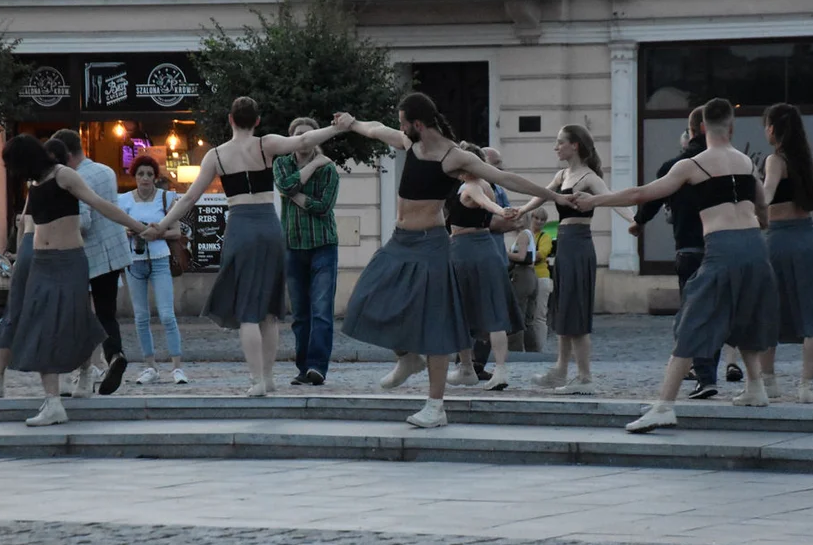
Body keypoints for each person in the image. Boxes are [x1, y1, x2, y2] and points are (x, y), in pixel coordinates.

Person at [334, 92, 568, 428]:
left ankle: (435, 406)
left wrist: (554, 196)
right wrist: (351, 123)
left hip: (431, 244)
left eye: (403, 122)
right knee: (366, 299)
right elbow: (375, 130)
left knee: (435, 324)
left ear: (418, 123)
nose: (399, 127)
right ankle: (409, 356)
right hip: (400, 241)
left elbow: (506, 179)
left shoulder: (453, 156)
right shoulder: (409, 143)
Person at [571, 98, 778, 433]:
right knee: (746, 314)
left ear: (699, 128)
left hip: (722, 247)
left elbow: (643, 193)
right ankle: (756, 388)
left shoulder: (691, 165)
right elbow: (762, 206)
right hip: (755, 246)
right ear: (732, 126)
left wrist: (596, 199)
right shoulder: (745, 162)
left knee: (691, 323)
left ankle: (665, 405)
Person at [148, 97, 347, 396]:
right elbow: (305, 138)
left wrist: (162, 227)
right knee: (269, 311)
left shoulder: (215, 156)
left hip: (240, 227)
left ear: (230, 119)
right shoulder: (266, 145)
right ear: (257, 121)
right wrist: (337, 127)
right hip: (269, 227)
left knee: (248, 313)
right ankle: (268, 378)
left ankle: (256, 381)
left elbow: (189, 198)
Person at [1, 135, 151, 426]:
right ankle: (54, 401)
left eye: (13, 164)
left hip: (68, 260)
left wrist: (138, 227)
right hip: (42, 263)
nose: (12, 171)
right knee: (42, 328)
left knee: (68, 324)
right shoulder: (35, 183)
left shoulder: (64, 175)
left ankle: (83, 374)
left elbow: (100, 205)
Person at [517, 124, 634, 395]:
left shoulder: (589, 177)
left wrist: (633, 221)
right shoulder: (562, 175)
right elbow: (542, 195)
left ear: (575, 145)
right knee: (565, 308)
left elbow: (613, 199)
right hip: (566, 246)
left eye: (560, 142)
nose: (556, 147)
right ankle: (560, 370)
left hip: (580, 245)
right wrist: (520, 209)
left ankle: (584, 377)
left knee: (577, 311)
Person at [631, 107, 723, 399]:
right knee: (715, 313)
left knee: (693, 315)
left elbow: (650, 198)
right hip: (721, 247)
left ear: (693, 129)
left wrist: (638, 222)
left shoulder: (676, 165)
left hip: (689, 250)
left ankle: (703, 374)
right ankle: (707, 370)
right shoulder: (726, 164)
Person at [759, 103, 813, 403]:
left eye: (766, 125)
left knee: (769, 311)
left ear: (772, 128)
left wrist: (750, 197)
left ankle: (768, 381)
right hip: (808, 238)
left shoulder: (775, 160)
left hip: (780, 241)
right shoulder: (804, 161)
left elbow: (768, 192)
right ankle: (806, 386)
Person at [0, 137, 75, 398]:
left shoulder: (35, 183)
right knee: (58, 314)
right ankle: (66, 378)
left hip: (29, 243)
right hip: (48, 247)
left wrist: (17, 249)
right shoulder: (59, 179)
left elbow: (24, 220)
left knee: (14, 311)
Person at [51, 129, 132, 396]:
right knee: (107, 313)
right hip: (114, 253)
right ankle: (114, 354)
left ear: (68, 155)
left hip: (89, 257)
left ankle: (80, 372)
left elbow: (83, 222)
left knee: (79, 316)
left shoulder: (76, 179)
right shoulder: (106, 171)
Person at [443, 142, 524, 392]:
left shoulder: (472, 186)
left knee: (466, 310)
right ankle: (478, 368)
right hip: (483, 248)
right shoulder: (487, 184)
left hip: (467, 250)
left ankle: (474, 368)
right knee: (492, 310)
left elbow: (485, 204)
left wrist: (501, 210)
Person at [273, 117, 341, 386]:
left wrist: (294, 195)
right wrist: (313, 165)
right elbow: (284, 185)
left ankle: (317, 367)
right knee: (300, 314)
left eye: (310, 135)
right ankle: (303, 368)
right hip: (292, 246)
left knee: (322, 311)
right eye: (299, 135)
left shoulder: (330, 170)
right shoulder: (282, 163)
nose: (305, 139)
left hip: (323, 245)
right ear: (291, 137)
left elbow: (323, 206)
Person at [118, 155, 187, 386]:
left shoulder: (166, 198)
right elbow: (118, 228)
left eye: (149, 174)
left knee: (167, 314)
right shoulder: (124, 200)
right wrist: (131, 232)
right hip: (134, 261)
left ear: (155, 177)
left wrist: (155, 233)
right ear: (134, 176)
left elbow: (176, 231)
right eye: (140, 174)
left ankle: (177, 367)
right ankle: (150, 366)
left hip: (159, 259)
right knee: (140, 317)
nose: (145, 178)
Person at [507, 213, 539, 353]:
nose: (517, 221)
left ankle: (516, 350)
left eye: (520, 218)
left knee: (517, 314)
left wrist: (504, 252)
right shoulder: (529, 234)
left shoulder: (522, 235)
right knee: (528, 319)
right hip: (532, 276)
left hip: (522, 275)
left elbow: (521, 256)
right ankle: (533, 350)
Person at [530, 207, 555, 352]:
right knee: (528, 315)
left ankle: (540, 348)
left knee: (540, 314)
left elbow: (542, 254)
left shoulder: (544, 237)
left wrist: (522, 255)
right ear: (531, 218)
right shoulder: (525, 234)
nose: (539, 222)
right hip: (526, 278)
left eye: (542, 220)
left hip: (541, 277)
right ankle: (529, 346)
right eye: (536, 218)